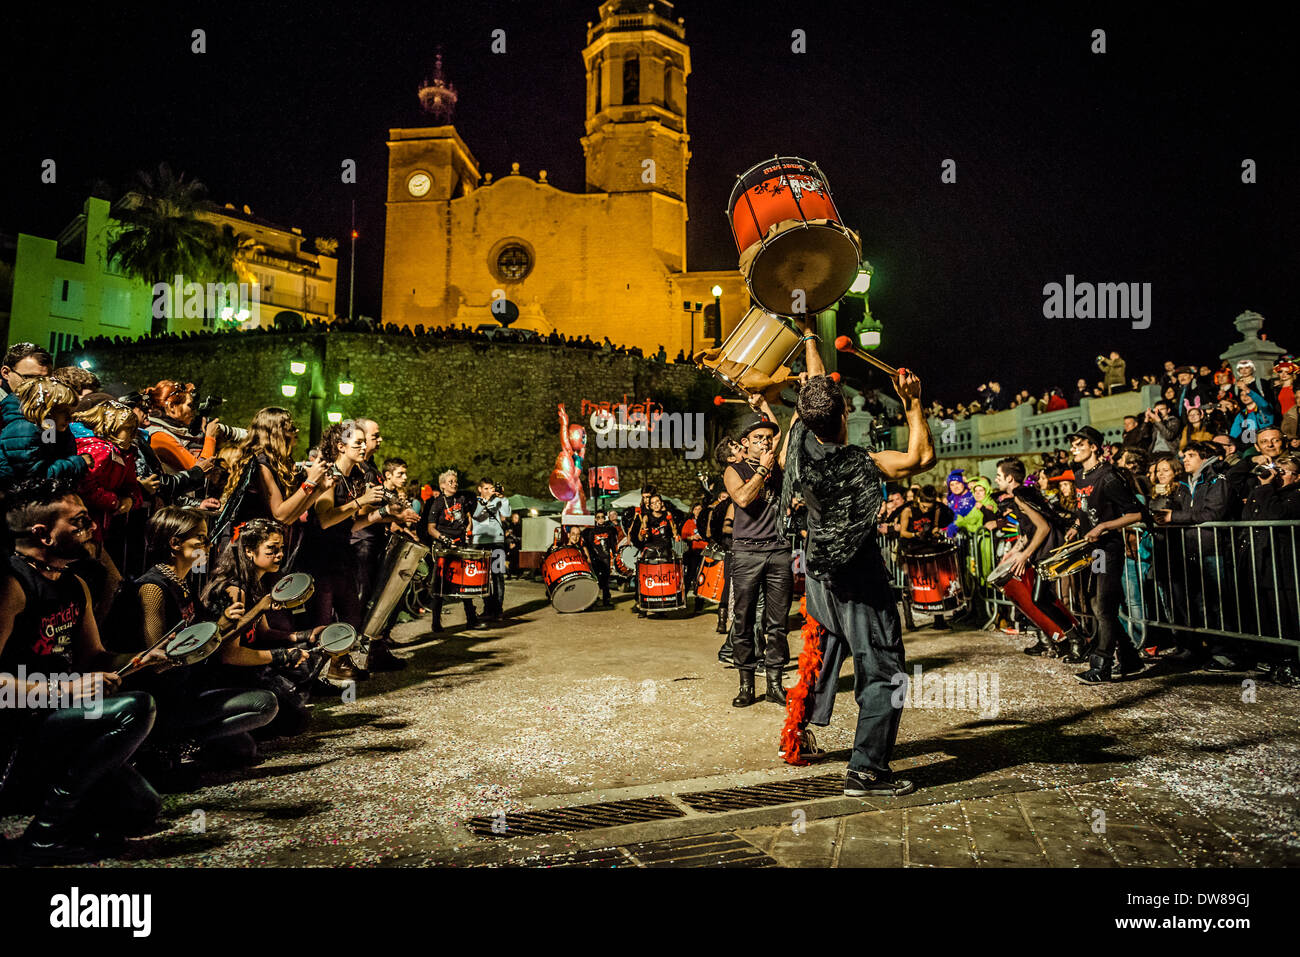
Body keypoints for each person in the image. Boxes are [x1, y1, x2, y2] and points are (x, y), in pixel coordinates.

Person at [777, 340, 935, 796]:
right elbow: (921, 458)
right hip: (859, 579)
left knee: (824, 649)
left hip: (821, 577)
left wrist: (809, 335)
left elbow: (815, 390)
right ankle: (866, 770)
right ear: (845, 414)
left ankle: (801, 727)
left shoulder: (795, 458)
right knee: (884, 670)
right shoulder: (861, 463)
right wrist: (914, 402)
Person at [0, 479, 164, 863]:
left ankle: (62, 809)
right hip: (18, 729)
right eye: (79, 522)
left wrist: (147, 658)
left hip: (58, 719)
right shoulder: (12, 585)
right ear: (44, 535)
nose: (91, 527)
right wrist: (68, 691)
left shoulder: (74, 584)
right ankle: (43, 838)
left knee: (141, 810)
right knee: (135, 708)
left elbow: (95, 659)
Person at [124, 507, 279, 776]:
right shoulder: (152, 588)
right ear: (175, 543)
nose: (208, 547)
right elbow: (158, 664)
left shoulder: (183, 584)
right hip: (165, 701)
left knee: (246, 746)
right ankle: (165, 743)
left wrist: (229, 621)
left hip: (189, 690)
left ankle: (185, 742)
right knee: (262, 705)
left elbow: (204, 637)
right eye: (201, 540)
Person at [200, 519, 319, 734]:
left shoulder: (255, 582)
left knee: (308, 660)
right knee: (295, 720)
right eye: (272, 549)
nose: (279, 555)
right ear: (249, 551)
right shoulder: (235, 590)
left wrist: (305, 635)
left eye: (281, 548)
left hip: (249, 665)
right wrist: (282, 655)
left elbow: (264, 632)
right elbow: (230, 655)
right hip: (227, 674)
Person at [300, 422, 392, 678]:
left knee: (352, 614)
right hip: (321, 557)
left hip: (342, 554)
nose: (364, 447)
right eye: (358, 443)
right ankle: (313, 674)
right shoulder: (330, 476)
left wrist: (384, 513)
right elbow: (325, 519)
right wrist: (361, 501)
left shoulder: (355, 477)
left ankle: (339, 663)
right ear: (341, 446)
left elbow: (352, 525)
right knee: (322, 618)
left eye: (364, 442)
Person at [723, 404, 793, 706]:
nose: (766, 441)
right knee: (744, 621)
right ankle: (746, 685)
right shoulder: (734, 470)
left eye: (768, 437)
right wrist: (762, 470)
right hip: (746, 554)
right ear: (746, 442)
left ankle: (775, 684)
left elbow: (786, 434)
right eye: (759, 437)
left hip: (778, 551)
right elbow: (742, 498)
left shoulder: (777, 464)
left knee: (777, 623)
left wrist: (766, 403)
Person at [1066, 426, 1147, 683]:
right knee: (1098, 604)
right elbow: (1085, 509)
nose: (1073, 449)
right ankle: (1131, 658)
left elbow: (1136, 513)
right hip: (1094, 550)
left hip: (1109, 549)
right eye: (1072, 445)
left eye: (1079, 444)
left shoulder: (1109, 476)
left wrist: (1102, 527)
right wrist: (1077, 527)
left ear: (1093, 446)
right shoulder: (1080, 476)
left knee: (1104, 605)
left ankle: (1102, 664)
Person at [990, 457, 1082, 656]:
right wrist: (1013, 553)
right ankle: (1059, 640)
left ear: (1009, 477)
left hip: (1047, 553)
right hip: (1040, 553)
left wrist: (1024, 556)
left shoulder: (1022, 495)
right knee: (1040, 598)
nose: (996, 480)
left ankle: (1076, 639)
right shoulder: (1020, 496)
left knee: (1040, 599)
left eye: (999, 476)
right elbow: (1026, 533)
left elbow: (1043, 527)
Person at [0, 377, 91, 492]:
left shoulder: (48, 427)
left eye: (71, 412)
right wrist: (78, 462)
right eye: (63, 411)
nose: (70, 418)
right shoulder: (25, 430)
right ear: (45, 410)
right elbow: (36, 477)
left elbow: (52, 457)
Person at [425, 469, 484, 631]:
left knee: (465, 583)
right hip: (443, 548)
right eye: (450, 482)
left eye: (455, 481)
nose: (454, 484)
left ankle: (471, 620)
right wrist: (443, 539)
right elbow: (431, 528)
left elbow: (468, 517)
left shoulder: (462, 499)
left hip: (460, 545)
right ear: (442, 485)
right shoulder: (437, 503)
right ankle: (436, 623)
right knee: (440, 585)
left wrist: (468, 528)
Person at [471, 478, 511, 621]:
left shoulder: (497, 500)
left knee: (498, 575)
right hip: (480, 541)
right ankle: (488, 608)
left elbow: (507, 513)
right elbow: (477, 516)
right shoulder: (474, 501)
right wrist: (485, 502)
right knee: (482, 576)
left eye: (491, 488)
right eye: (486, 489)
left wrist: (503, 498)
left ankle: (498, 609)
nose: (489, 491)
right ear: (480, 489)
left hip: (497, 541)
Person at [582, 509, 619, 607]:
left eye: (602, 517)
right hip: (596, 559)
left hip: (606, 557)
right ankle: (593, 598)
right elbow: (589, 545)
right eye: (598, 517)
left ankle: (606, 599)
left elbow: (612, 543)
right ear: (595, 519)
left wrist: (615, 554)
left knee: (606, 580)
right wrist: (589, 557)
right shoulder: (592, 532)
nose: (600, 519)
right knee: (596, 579)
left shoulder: (609, 530)